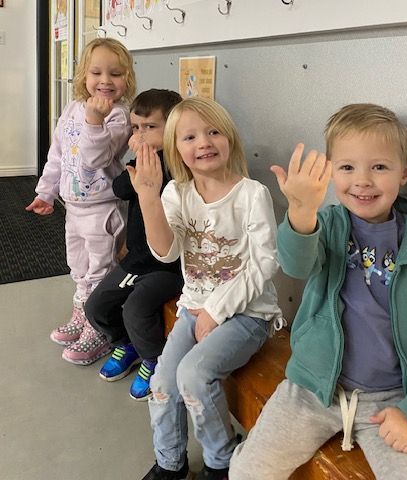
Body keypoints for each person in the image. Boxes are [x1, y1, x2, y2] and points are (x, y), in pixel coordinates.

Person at [229, 103, 407, 480]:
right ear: (330, 170)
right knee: (247, 470)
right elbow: (297, 264)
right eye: (347, 167)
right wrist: (300, 212)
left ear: (405, 171)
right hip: (312, 389)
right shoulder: (326, 225)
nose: (362, 181)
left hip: (393, 400)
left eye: (379, 166)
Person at [128, 96, 283, 480]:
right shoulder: (175, 193)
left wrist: (217, 309)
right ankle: (170, 463)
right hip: (195, 308)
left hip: (248, 313)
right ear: (176, 149)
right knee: (163, 383)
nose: (204, 142)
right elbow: (166, 253)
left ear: (229, 137)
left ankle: (220, 462)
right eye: (190, 137)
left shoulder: (251, 194)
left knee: (194, 376)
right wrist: (148, 198)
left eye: (213, 132)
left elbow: (266, 261)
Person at [26, 38, 137, 365]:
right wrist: (46, 191)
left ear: (126, 79)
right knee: (78, 265)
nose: (105, 80)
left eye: (115, 74)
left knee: (101, 270)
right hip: (73, 207)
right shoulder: (72, 108)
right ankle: (81, 311)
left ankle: (98, 325)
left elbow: (94, 157)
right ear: (83, 77)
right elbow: (58, 154)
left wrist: (93, 121)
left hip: (103, 209)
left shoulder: (119, 117)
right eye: (97, 72)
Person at [84, 89, 184, 401]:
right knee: (96, 305)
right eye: (136, 127)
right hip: (137, 259)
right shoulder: (142, 160)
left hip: (167, 267)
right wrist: (141, 160)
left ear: (175, 128)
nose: (140, 134)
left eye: (150, 127)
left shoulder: (180, 164)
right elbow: (120, 187)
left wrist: (151, 160)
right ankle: (125, 344)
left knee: (138, 308)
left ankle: (154, 360)